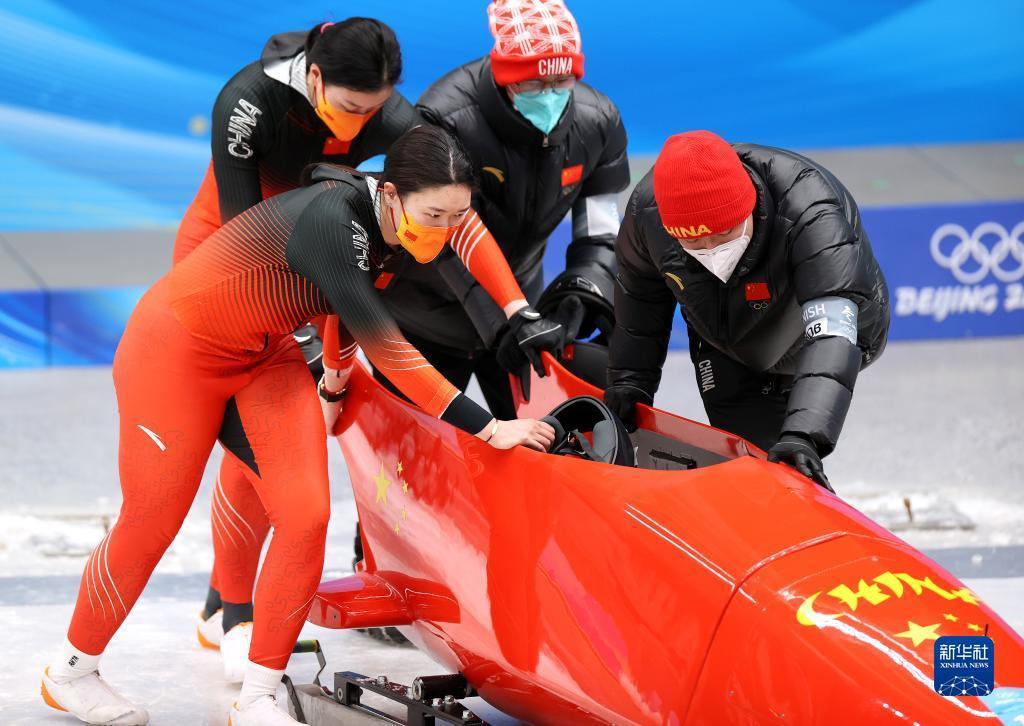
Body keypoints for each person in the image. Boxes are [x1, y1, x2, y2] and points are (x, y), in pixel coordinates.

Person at [40, 125, 555, 726]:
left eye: (455, 218)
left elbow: (341, 310)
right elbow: (387, 347)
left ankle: (256, 697)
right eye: (433, 214)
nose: (442, 232)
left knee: (307, 515)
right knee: (152, 521)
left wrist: (334, 384)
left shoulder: (394, 230)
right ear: (390, 195)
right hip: (174, 351)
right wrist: (490, 429)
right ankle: (70, 671)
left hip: (264, 354)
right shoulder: (335, 223)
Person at [173, 17, 422, 674]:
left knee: (297, 424)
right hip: (228, 259)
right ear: (314, 78)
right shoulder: (247, 102)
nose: (354, 126)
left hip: (323, 263)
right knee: (264, 434)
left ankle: (213, 608)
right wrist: (311, 347)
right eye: (345, 109)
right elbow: (243, 246)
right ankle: (234, 612)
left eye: (370, 113)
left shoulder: (392, 117)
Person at [379, 0, 630, 418]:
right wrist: (496, 323)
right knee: (414, 468)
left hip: (524, 317)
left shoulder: (598, 121)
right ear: (502, 75)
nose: (548, 97)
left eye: (563, 81)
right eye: (530, 85)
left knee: (541, 451)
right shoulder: (443, 119)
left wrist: (582, 288)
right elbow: (441, 235)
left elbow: (600, 229)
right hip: (427, 317)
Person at [604, 130, 890, 489]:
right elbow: (640, 300)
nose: (710, 250)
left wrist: (805, 435)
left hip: (818, 331)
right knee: (751, 466)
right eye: (693, 241)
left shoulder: (811, 209)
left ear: (750, 206)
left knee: (793, 457)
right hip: (729, 338)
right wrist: (631, 382)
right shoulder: (647, 215)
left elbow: (832, 331)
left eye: (723, 234)